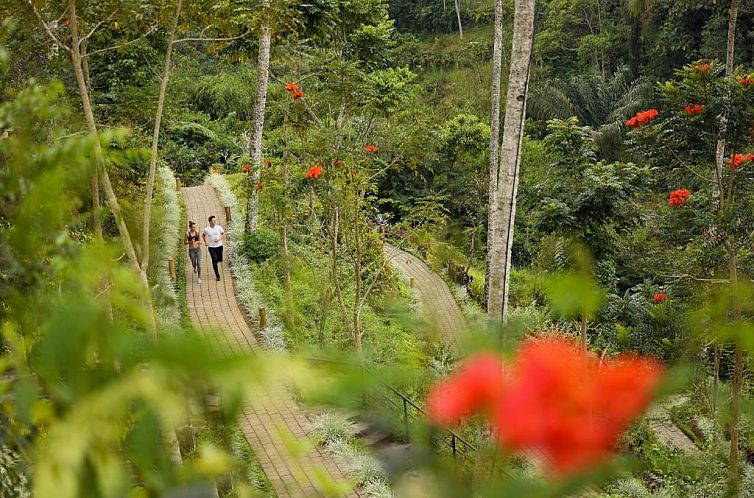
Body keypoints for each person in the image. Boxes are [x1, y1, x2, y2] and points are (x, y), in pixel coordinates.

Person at [202, 215, 224, 281]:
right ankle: (217, 275)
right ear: (210, 222)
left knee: (220, 259)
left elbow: (223, 234)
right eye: (213, 220)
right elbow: (203, 235)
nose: (215, 221)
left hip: (219, 246)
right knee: (214, 260)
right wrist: (205, 242)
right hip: (211, 247)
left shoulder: (218, 227)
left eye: (215, 220)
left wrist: (219, 239)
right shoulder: (206, 229)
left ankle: (218, 259)